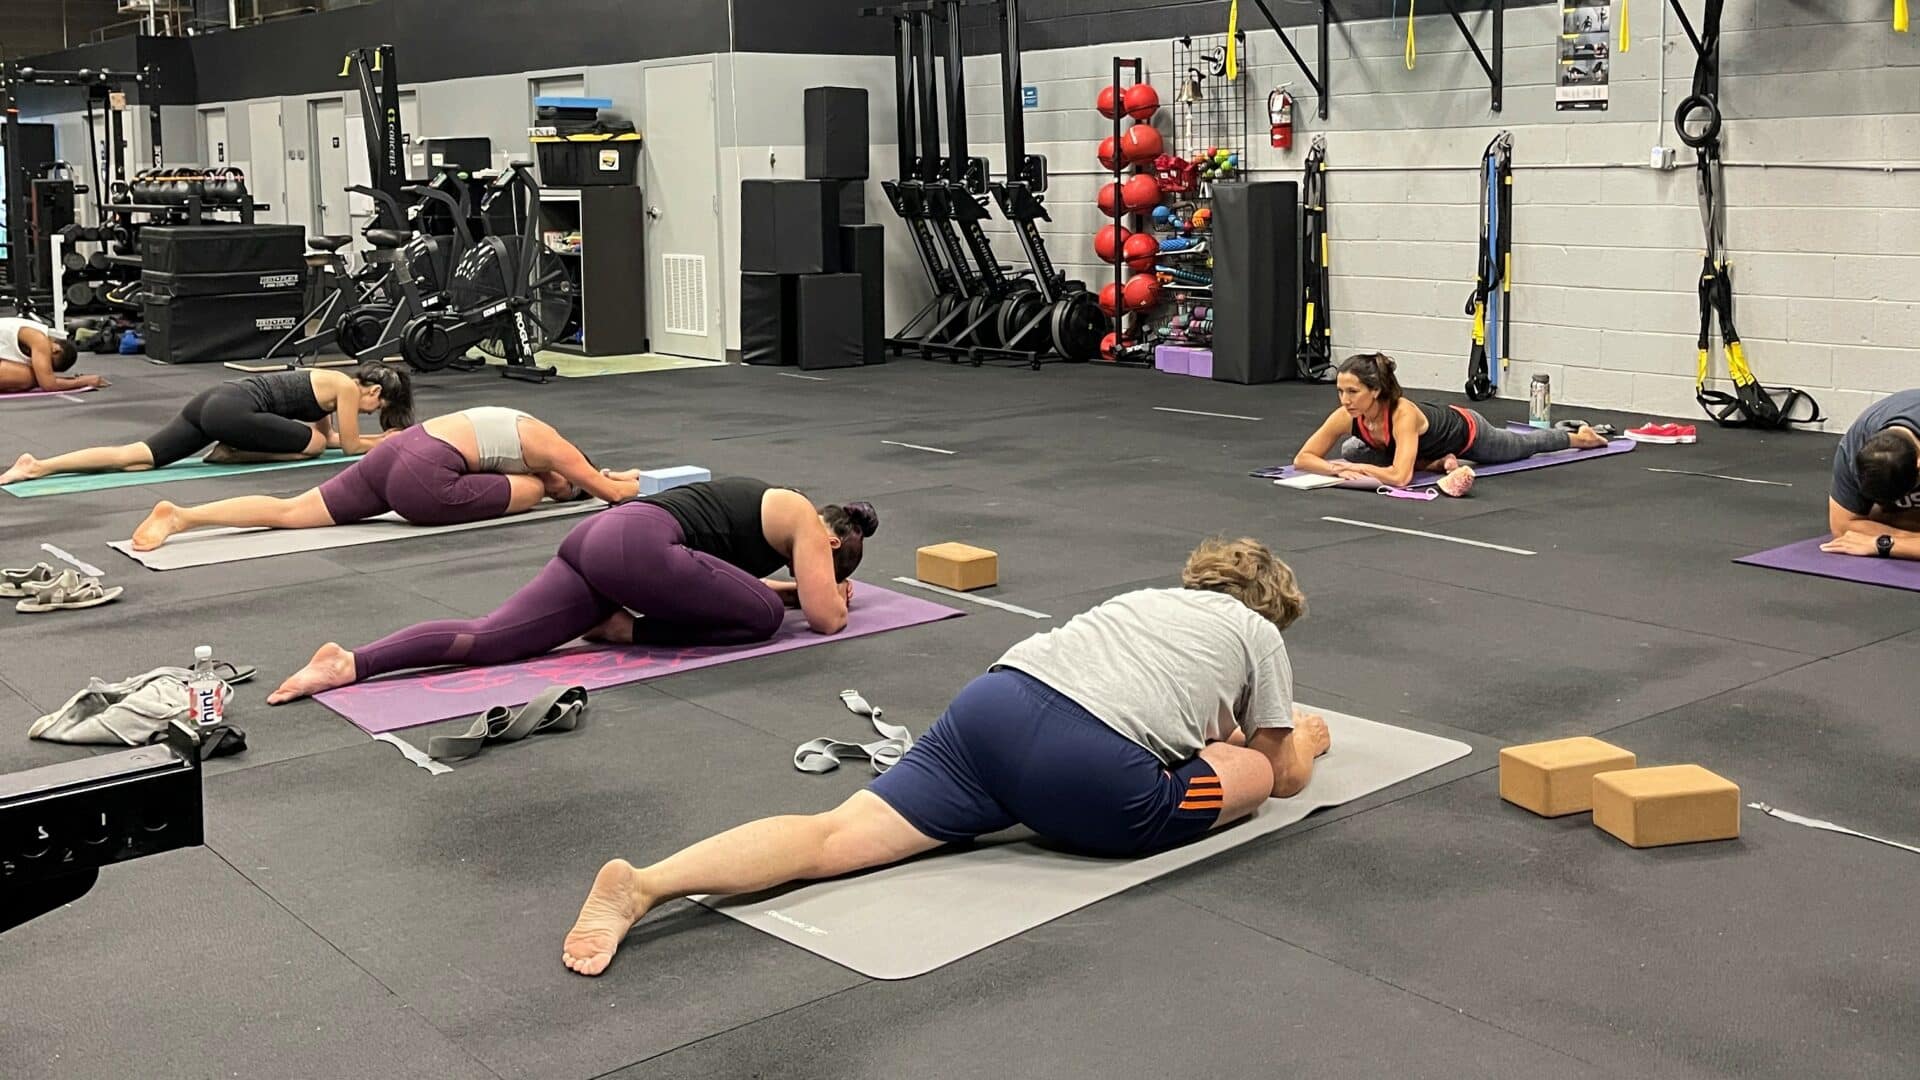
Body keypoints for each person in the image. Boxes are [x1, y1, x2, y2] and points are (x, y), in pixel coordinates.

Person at [558, 536, 1327, 977]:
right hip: (1092, 779)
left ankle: (647, 884)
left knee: (832, 836)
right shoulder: (1258, 634)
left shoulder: (1140, 602)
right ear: (1271, 609)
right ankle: (645, 886)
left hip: (992, 710)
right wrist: (1305, 739)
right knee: (1256, 772)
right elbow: (1284, 775)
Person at [265, 478, 878, 703]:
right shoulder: (800, 513)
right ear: (828, 546)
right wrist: (821, 599)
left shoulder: (770, 518)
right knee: (764, 617)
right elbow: (823, 620)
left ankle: (351, 662)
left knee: (490, 639)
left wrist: (795, 592)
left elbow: (718, 582)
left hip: (598, 541)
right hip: (639, 546)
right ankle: (623, 629)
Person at [129, 406, 641, 551]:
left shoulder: (522, 430)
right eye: (566, 488)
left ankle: (181, 516)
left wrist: (598, 478)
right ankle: (179, 518)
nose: (562, 494)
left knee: (291, 511)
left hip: (399, 451)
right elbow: (612, 493)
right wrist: (626, 482)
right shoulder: (549, 449)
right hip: (423, 476)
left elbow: (592, 480)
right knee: (526, 494)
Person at [0, 365, 410, 486]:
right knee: (315, 447)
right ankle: (233, 452)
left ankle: (37, 465)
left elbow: (336, 437)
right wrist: (390, 441)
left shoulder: (330, 379)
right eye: (379, 405)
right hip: (232, 412)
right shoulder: (348, 387)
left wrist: (377, 438)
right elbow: (350, 447)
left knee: (137, 458)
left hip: (214, 401)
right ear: (373, 389)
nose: (371, 410)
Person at [1292, 352, 1610, 496]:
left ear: (1375, 391)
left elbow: (1400, 478)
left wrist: (1359, 472)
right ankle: (1436, 463)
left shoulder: (1402, 413)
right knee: (1351, 449)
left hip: (1468, 432)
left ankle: (1578, 437)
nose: (1345, 400)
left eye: (1353, 392)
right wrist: (1336, 469)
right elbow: (1303, 458)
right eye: (1340, 392)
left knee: (1523, 446)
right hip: (1427, 446)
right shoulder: (1346, 415)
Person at [1820, 389, 1920, 560]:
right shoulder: (1855, 445)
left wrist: (1884, 544)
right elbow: (1843, 528)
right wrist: (1911, 537)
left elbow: (1859, 527)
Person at [0, 315, 103, 394]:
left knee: (34, 376)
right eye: (48, 362)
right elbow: (49, 385)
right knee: (29, 377)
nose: (43, 366)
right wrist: (82, 382)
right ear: (55, 349)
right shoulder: (40, 340)